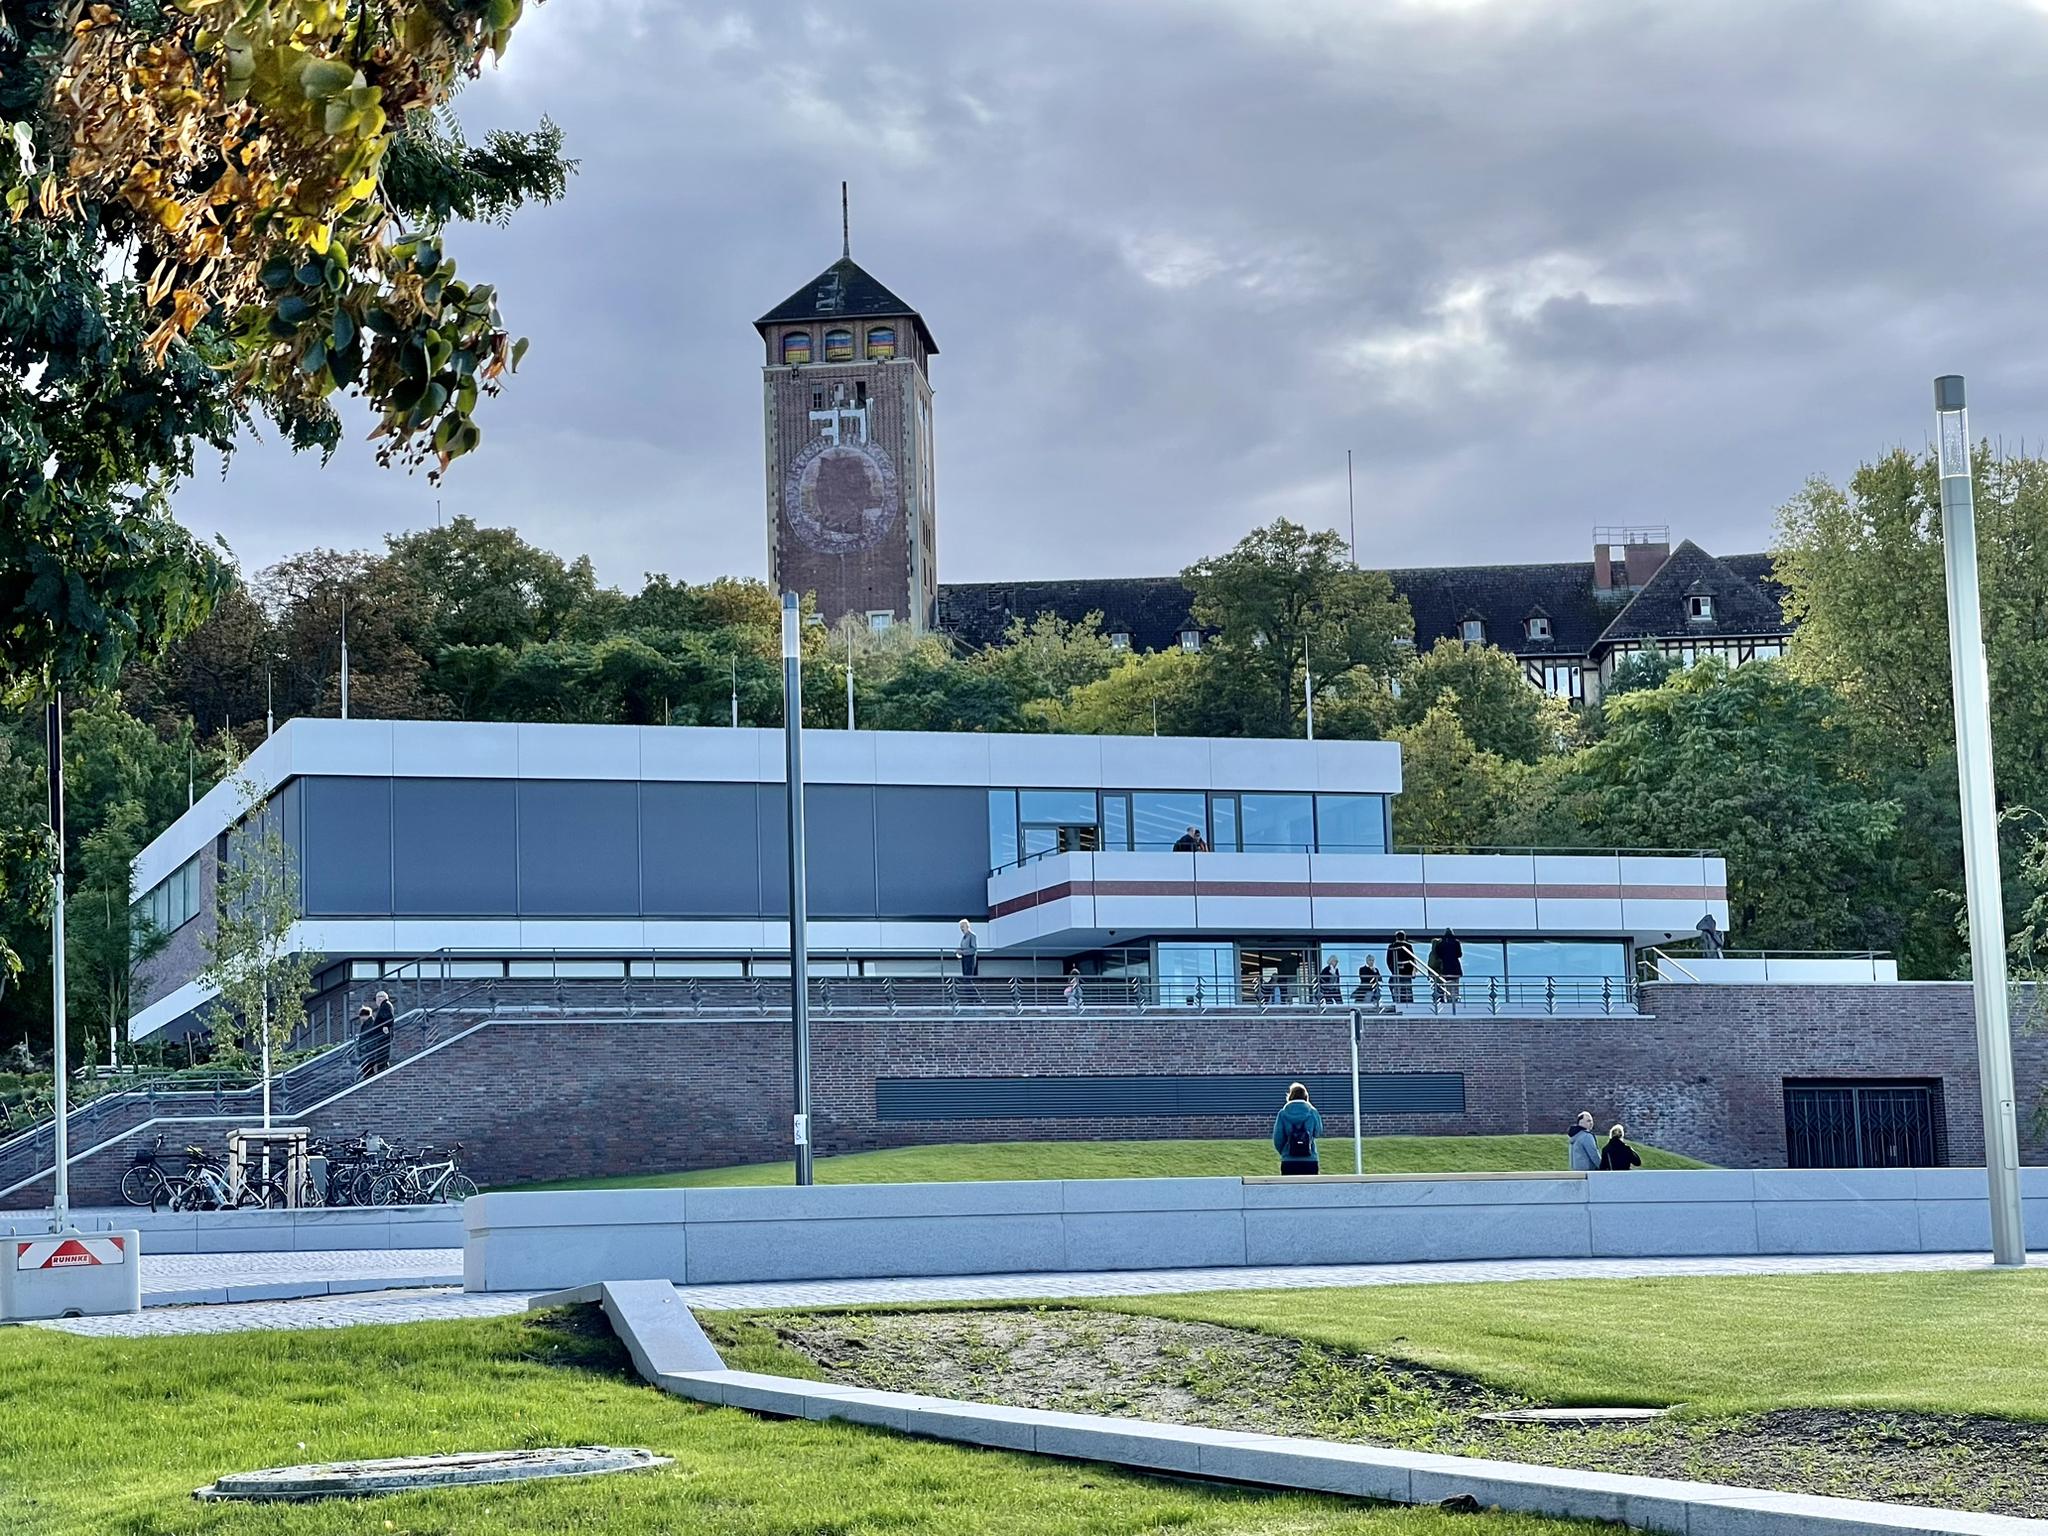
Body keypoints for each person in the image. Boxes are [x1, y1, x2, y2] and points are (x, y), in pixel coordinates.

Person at [1272, 1082, 1323, 1176]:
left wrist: (1285, 1151)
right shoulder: (1312, 1112)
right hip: (1310, 1159)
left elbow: (1278, 1139)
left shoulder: (1282, 1113)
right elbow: (1318, 1132)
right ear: (1306, 1096)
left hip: (1289, 1160)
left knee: (1289, 1189)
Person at [1434, 928, 1464, 1005]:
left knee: (1448, 986)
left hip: (1446, 967)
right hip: (1455, 967)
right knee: (1456, 986)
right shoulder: (1456, 942)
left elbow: (1438, 954)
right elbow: (1459, 954)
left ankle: (1449, 999)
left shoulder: (1441, 943)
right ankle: (1455, 1000)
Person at [1387, 931, 1416, 1005]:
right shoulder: (1408, 946)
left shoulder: (1392, 946)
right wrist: (1412, 971)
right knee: (1407, 990)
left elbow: (1388, 960)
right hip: (1407, 973)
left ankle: (1397, 1002)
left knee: (1394, 987)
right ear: (1404, 937)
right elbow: (1413, 960)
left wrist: (1393, 970)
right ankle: (1408, 1004)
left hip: (1396, 973)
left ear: (1396, 937)